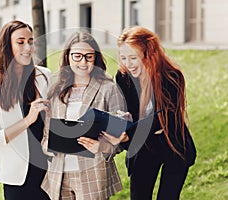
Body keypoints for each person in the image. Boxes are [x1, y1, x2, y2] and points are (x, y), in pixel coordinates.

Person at [107, 26, 197, 200]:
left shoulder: (172, 76)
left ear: (150, 54)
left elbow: (164, 117)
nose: (127, 63)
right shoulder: (123, 77)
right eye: (123, 57)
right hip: (144, 146)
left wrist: (130, 133)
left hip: (173, 146)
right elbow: (128, 114)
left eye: (133, 58)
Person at [40, 31, 125, 200]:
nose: (83, 62)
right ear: (67, 57)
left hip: (93, 174)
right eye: (77, 56)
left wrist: (103, 147)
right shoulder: (56, 90)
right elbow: (46, 133)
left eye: (89, 56)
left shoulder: (109, 89)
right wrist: (49, 147)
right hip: (60, 175)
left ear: (96, 58)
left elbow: (122, 135)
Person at [0, 20, 51, 199]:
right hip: (17, 178)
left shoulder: (44, 76)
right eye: (20, 42)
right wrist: (28, 120)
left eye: (30, 41)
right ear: (7, 46)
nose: (28, 47)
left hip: (49, 173)